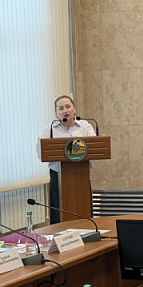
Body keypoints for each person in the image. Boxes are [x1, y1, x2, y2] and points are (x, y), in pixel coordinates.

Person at [41, 95, 96, 224]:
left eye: (68, 107)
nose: (65, 111)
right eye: (61, 108)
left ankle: (86, 228)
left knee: (83, 207)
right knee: (58, 210)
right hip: (58, 175)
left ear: (74, 109)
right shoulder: (50, 129)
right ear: (56, 113)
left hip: (81, 174)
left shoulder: (85, 126)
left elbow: (94, 146)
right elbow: (42, 150)